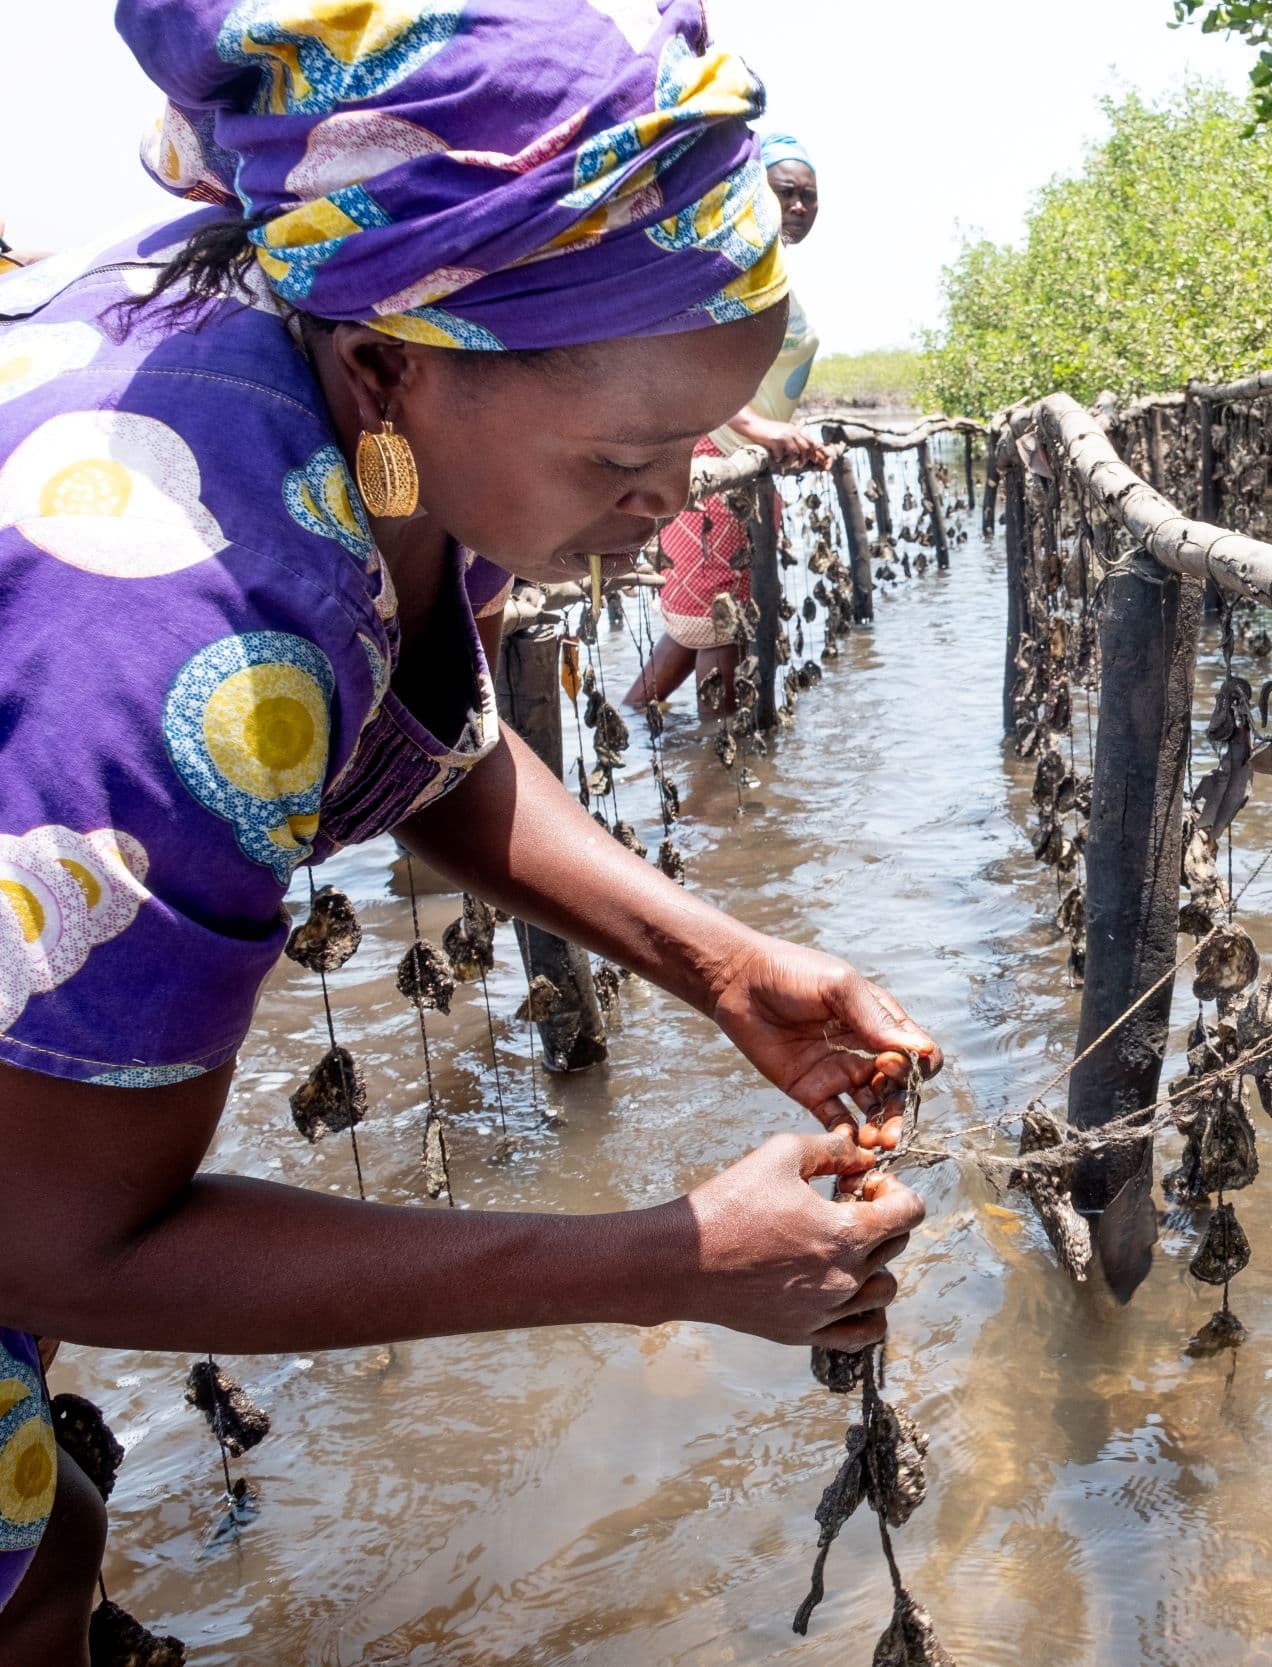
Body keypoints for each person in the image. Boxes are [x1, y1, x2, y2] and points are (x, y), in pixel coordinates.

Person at [0, 3, 940, 1657]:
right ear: (388, 369)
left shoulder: (407, 444)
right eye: (632, 455)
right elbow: (71, 1246)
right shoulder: (173, 640)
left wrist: (715, 960)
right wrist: (671, 1256)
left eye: (697, 438)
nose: (674, 497)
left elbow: (425, 735)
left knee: (46, 1539)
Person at [625, 131, 828, 717]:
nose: (797, 206)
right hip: (710, 460)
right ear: (750, 191)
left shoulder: (767, 271)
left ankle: (638, 731)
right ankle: (729, 796)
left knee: (702, 630)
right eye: (784, 191)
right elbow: (685, 367)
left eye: (808, 197)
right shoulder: (720, 264)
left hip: (738, 470)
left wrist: (782, 433)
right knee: (721, 634)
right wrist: (761, 430)